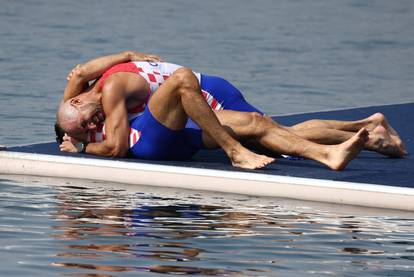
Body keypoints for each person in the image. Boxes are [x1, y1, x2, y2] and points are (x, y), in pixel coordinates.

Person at [56, 51, 405, 171]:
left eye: (88, 121)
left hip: (206, 94)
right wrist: (127, 54)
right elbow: (82, 74)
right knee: (268, 130)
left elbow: (117, 145)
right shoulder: (85, 96)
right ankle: (368, 132)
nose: (93, 124)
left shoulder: (110, 89)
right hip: (184, 104)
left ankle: (359, 134)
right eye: (86, 129)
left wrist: (84, 147)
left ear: (75, 101)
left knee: (269, 134)